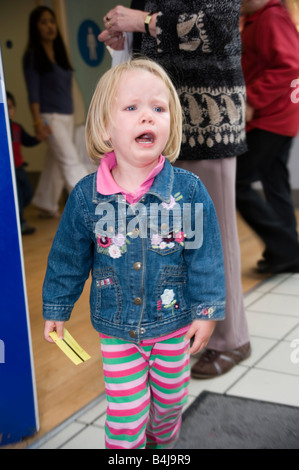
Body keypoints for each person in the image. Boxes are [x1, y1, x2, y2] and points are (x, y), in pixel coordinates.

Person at [42, 58, 226, 449]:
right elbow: (67, 259)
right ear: (105, 128)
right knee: (126, 414)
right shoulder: (87, 197)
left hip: (174, 325)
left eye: (159, 109)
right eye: (132, 108)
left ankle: (161, 444)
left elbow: (205, 258)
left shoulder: (188, 192)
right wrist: (57, 309)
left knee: (170, 403)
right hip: (117, 329)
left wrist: (207, 314)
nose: (148, 117)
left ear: (170, 124)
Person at [98, 1, 251, 380]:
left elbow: (220, 25)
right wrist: (124, 39)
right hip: (158, 121)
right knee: (167, 237)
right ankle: (184, 330)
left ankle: (230, 338)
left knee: (212, 235)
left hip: (204, 120)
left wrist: (145, 21)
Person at [236, 0, 299, 274]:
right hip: (280, 117)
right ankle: (286, 253)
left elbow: (290, 64)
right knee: (274, 180)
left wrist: (252, 98)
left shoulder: (270, 17)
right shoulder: (257, 18)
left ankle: (286, 248)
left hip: (272, 118)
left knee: (238, 182)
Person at [23, 6, 88, 218]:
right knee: (70, 160)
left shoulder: (60, 54)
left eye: (51, 21)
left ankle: (45, 202)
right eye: (43, 22)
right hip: (49, 117)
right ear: (35, 27)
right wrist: (37, 123)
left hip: (67, 115)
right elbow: (33, 93)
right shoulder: (33, 56)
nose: (50, 26)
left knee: (56, 161)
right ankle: (88, 205)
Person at [6, 91, 41, 235]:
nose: (8, 111)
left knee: (27, 192)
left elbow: (28, 141)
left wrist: (39, 137)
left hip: (19, 167)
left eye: (10, 107)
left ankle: (15, 213)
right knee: (17, 197)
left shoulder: (17, 128)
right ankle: (20, 223)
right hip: (7, 171)